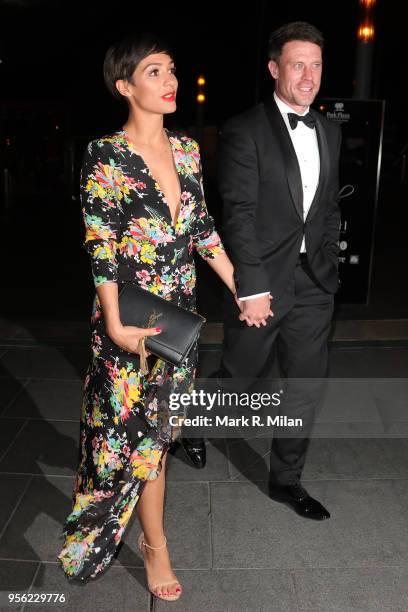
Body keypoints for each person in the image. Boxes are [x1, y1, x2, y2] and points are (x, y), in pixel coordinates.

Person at [57, 33, 236, 601]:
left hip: (178, 317)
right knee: (130, 438)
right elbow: (101, 245)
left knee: (159, 433)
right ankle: (140, 535)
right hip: (128, 318)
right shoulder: (104, 155)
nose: (169, 80)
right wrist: (112, 322)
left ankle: (149, 533)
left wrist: (242, 288)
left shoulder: (185, 149)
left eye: (172, 70)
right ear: (124, 86)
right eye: (155, 72)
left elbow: (202, 228)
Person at [218, 22, 341, 520]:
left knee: (306, 383)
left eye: (315, 64)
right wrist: (253, 286)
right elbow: (238, 214)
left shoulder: (329, 129)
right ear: (274, 69)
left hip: (315, 281)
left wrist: (328, 252)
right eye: (297, 64)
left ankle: (285, 480)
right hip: (264, 282)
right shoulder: (244, 128)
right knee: (241, 377)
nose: (308, 75)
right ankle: (194, 427)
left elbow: (328, 206)